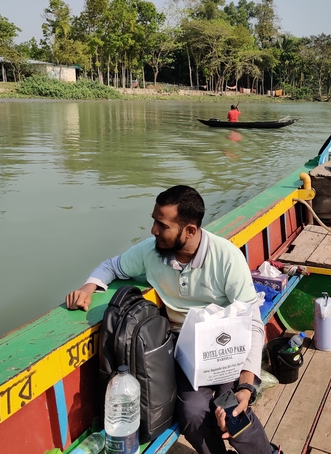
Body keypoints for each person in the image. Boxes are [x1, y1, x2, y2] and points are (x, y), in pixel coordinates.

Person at [65, 185, 275, 454]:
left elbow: (252, 322)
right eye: (154, 221)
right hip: (182, 349)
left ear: (190, 230)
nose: (153, 230)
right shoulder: (150, 252)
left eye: (161, 225)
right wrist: (88, 287)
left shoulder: (226, 258)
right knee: (191, 411)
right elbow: (111, 266)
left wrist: (246, 384)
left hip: (225, 345)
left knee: (232, 409)